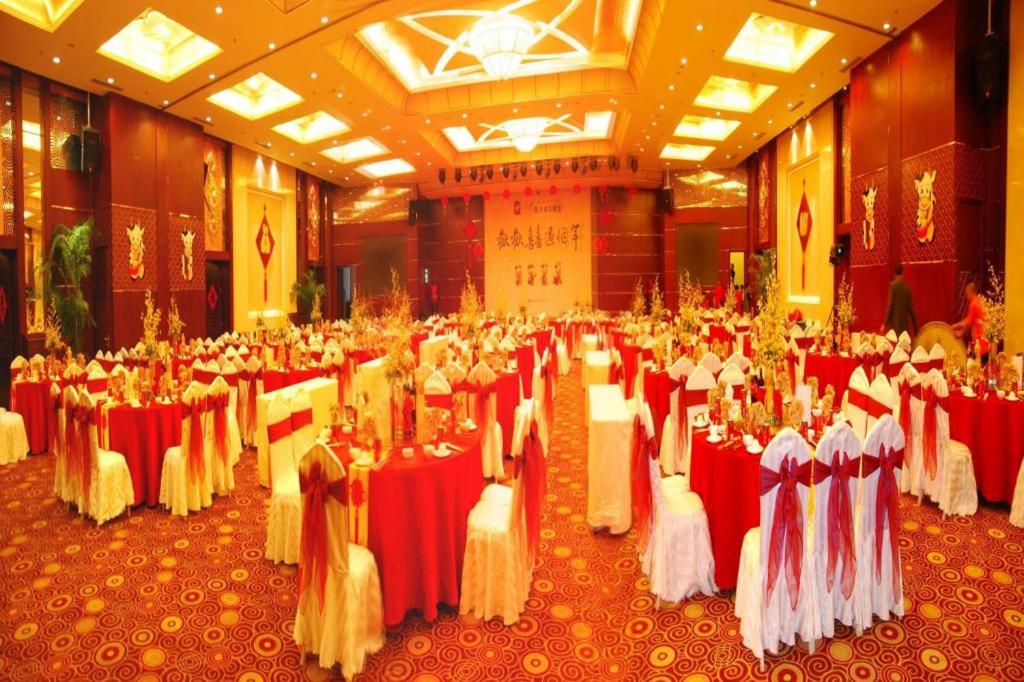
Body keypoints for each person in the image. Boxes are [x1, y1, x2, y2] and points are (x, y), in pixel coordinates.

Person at [952, 280, 989, 362]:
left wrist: (957, 329)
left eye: (966, 293)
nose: (966, 296)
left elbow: (968, 321)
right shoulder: (980, 301)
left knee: (978, 366)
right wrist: (959, 329)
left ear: (970, 291)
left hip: (980, 343)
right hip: (985, 342)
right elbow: (970, 320)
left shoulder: (974, 304)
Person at [883, 264, 918, 336]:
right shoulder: (907, 288)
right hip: (904, 328)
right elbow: (911, 310)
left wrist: (884, 323)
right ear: (903, 273)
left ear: (894, 274)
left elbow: (890, 307)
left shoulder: (893, 286)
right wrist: (916, 329)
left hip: (894, 327)